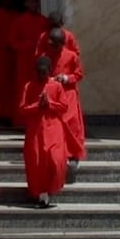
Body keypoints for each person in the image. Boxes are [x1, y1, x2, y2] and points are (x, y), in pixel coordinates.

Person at [18, 55, 68, 209]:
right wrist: (37, 106)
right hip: (36, 130)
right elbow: (22, 109)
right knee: (37, 162)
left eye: (44, 72)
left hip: (53, 129)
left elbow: (64, 107)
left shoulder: (57, 87)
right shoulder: (29, 86)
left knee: (55, 160)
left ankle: (51, 188)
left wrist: (50, 104)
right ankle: (42, 195)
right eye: (39, 72)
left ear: (50, 71)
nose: (41, 75)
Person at [39, 27, 86, 165]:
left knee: (71, 123)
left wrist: (65, 78)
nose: (51, 47)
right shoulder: (46, 55)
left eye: (54, 44)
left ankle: (73, 153)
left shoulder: (72, 56)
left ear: (61, 43)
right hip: (52, 93)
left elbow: (79, 74)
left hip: (68, 93)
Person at [7, 0, 49, 122]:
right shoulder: (19, 20)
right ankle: (21, 120)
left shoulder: (44, 20)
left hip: (39, 61)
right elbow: (12, 41)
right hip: (24, 60)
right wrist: (28, 45)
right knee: (23, 89)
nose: (34, 5)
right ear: (26, 4)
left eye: (36, 2)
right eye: (32, 2)